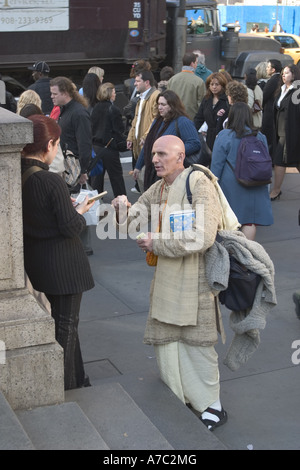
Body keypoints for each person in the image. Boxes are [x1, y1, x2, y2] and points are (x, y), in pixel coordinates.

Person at [112, 134, 229, 431]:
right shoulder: (160, 187)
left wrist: (157, 241)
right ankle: (182, 395)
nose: (154, 159)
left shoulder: (199, 183)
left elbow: (203, 236)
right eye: (153, 154)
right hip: (167, 277)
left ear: (180, 157)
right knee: (170, 340)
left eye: (162, 154)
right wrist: (122, 208)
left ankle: (211, 404)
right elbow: (133, 222)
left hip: (197, 278)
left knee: (198, 343)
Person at [21, 114, 95, 390]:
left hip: (38, 262)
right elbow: (70, 226)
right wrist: (80, 210)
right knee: (66, 326)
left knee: (63, 325)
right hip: (64, 265)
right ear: (49, 144)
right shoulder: (50, 181)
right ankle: (64, 383)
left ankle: (77, 379)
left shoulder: (15, 172)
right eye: (58, 145)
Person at [211, 102, 273, 241]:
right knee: (249, 222)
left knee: (230, 221)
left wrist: (212, 187)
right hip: (256, 182)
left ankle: (233, 256)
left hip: (232, 184)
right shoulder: (260, 136)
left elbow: (216, 165)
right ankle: (246, 254)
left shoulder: (225, 135)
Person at [50, 76, 93, 255]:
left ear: (65, 93)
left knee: (75, 203)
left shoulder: (78, 112)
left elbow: (85, 143)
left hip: (74, 166)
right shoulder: (67, 110)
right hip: (70, 164)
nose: (51, 97)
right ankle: (80, 243)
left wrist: (84, 170)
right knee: (73, 203)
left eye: (54, 93)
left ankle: (83, 245)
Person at [133, 90, 201, 191]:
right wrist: (138, 166)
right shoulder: (157, 121)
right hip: (155, 172)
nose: (159, 107)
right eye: (158, 104)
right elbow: (149, 145)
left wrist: (171, 153)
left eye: (163, 104)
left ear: (172, 105)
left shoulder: (182, 121)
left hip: (174, 174)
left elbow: (195, 143)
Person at [269, 64, 300, 201]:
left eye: (287, 73)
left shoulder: (297, 90)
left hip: (291, 131)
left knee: (279, 161)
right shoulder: (282, 89)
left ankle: (275, 191)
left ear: (294, 75)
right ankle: (276, 190)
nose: (283, 75)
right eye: (283, 73)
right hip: (280, 130)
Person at [90, 82, 127, 197]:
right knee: (117, 181)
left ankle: (96, 207)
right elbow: (118, 131)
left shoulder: (95, 108)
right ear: (110, 94)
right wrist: (123, 145)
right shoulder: (114, 109)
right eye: (114, 92)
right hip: (110, 148)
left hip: (96, 148)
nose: (115, 94)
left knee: (96, 182)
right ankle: (122, 207)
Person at [127, 70, 160, 193]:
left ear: (147, 82)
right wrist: (130, 137)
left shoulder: (155, 96)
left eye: (137, 81)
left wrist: (146, 136)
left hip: (146, 144)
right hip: (139, 143)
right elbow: (136, 119)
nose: (135, 84)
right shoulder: (141, 97)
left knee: (148, 176)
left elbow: (155, 119)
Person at [194, 72, 230, 151]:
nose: (214, 87)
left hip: (222, 135)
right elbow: (199, 118)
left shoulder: (226, 100)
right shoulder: (207, 99)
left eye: (217, 84)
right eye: (211, 84)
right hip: (209, 136)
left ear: (222, 85)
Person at [167, 52, 205, 120]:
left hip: (173, 118)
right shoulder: (199, 82)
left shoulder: (172, 80)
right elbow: (201, 104)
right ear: (192, 64)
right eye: (196, 62)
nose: (197, 65)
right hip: (191, 120)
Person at [261, 59, 282, 159]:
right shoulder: (279, 79)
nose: (266, 69)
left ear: (273, 70)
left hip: (269, 113)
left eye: (268, 67)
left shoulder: (273, 80)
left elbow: (264, 96)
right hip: (274, 113)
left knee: (267, 137)